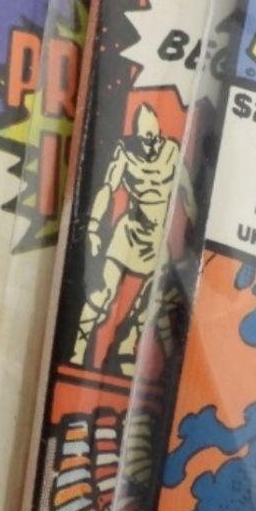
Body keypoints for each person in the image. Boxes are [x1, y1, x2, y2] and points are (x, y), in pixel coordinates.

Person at [72, 104, 180, 373]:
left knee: (155, 296)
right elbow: (107, 188)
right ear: (136, 136)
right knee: (104, 293)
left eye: (154, 138)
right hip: (128, 232)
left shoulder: (172, 152)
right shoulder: (125, 152)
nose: (150, 145)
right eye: (145, 138)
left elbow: (187, 191)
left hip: (158, 238)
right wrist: (94, 227)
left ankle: (127, 345)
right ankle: (77, 350)